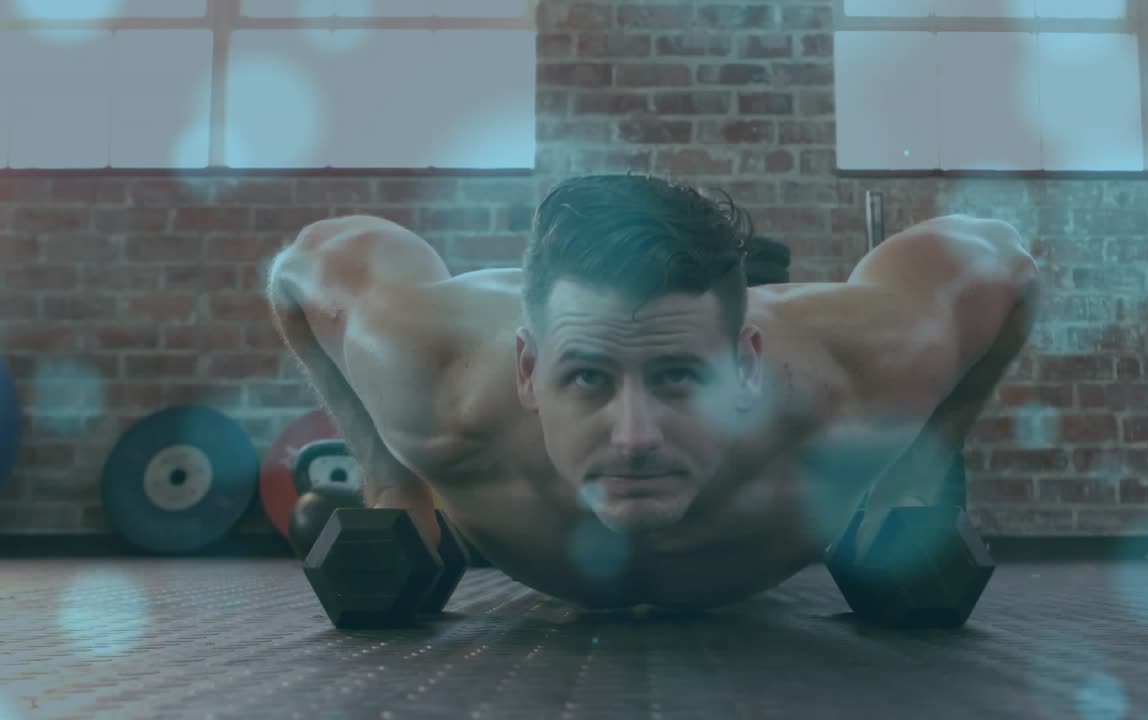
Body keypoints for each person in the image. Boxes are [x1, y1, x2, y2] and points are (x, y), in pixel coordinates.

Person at [267, 174, 1039, 610]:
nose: (635, 435)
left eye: (678, 379)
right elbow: (305, 265)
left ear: (743, 368)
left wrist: (917, 470)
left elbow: (1004, 263)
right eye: (588, 380)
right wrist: (391, 483)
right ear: (528, 370)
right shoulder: (429, 379)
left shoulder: (860, 386)